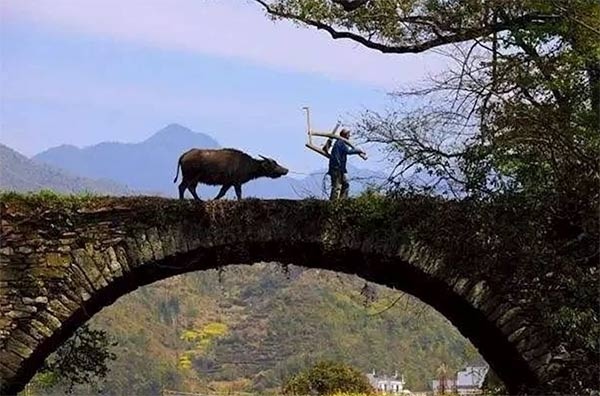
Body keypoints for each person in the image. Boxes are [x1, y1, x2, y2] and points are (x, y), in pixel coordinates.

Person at [324, 128, 364, 201]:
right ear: (345, 135)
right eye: (348, 134)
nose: (349, 136)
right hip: (337, 168)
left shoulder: (340, 143)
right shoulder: (340, 143)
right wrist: (358, 150)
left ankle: (343, 200)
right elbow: (347, 151)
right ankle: (334, 202)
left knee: (345, 184)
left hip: (341, 168)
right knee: (337, 186)